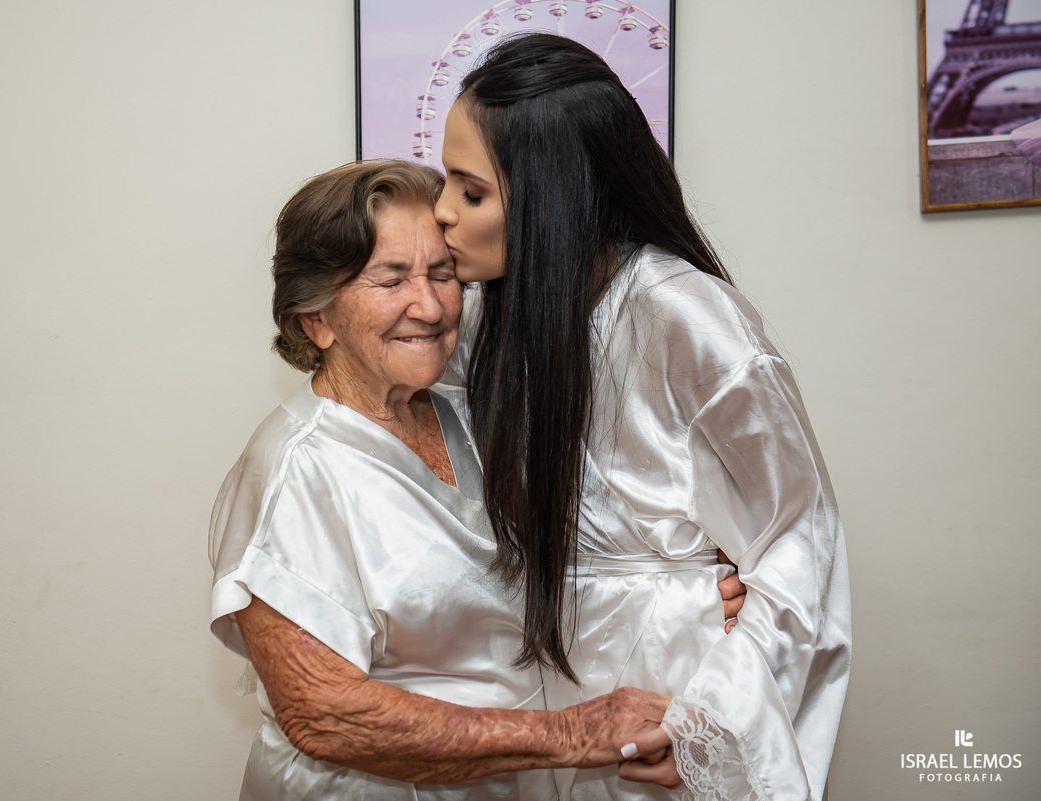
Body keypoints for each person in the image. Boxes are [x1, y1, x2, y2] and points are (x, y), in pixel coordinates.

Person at [209, 160, 726, 800]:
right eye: (391, 279)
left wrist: (679, 600)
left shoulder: (468, 417)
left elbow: (506, 599)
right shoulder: (297, 466)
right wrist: (568, 735)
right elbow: (325, 715)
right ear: (316, 318)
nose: (427, 305)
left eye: (442, 274)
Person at [433, 33, 851, 801]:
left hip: (669, 677)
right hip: (537, 678)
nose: (442, 213)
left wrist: (706, 724)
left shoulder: (686, 318)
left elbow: (799, 535)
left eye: (471, 191)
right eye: (444, 183)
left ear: (549, 192)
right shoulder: (491, 319)